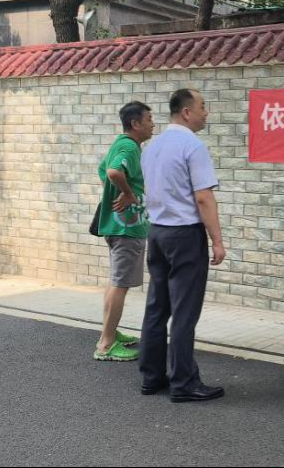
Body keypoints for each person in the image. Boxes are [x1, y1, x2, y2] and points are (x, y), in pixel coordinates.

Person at [138, 89, 226, 403]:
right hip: (185, 235)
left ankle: (151, 377)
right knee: (185, 311)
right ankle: (184, 382)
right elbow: (203, 197)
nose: (206, 112)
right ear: (186, 112)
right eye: (202, 106)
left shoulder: (152, 146)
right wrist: (217, 240)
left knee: (157, 306)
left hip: (157, 232)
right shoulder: (192, 146)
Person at [94, 101, 154, 361]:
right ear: (135, 123)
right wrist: (128, 194)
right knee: (120, 285)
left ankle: (109, 333)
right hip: (126, 228)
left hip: (116, 225)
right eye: (149, 119)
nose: (153, 124)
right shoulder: (129, 146)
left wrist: (116, 193)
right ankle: (106, 344)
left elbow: (103, 170)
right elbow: (112, 172)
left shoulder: (120, 144)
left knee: (115, 282)